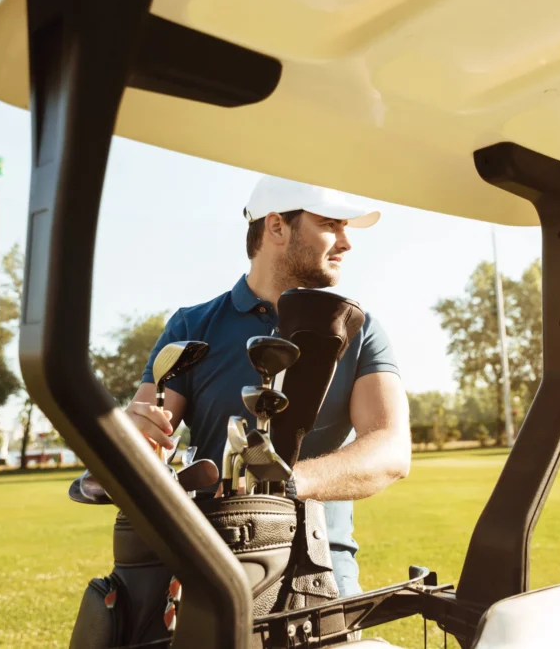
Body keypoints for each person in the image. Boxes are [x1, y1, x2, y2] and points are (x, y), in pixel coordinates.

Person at [125, 174, 412, 598]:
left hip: (324, 574)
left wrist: (284, 482)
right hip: (212, 568)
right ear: (276, 226)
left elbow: (391, 449)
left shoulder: (361, 328)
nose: (346, 243)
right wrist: (138, 435)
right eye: (331, 224)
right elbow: (143, 434)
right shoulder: (191, 325)